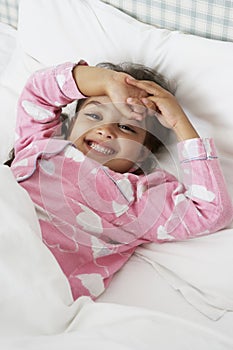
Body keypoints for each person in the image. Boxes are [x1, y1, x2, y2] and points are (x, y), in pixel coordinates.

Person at [9, 60, 233, 300]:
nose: (106, 130)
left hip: (31, 277)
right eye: (94, 115)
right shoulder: (39, 142)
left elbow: (210, 210)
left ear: (144, 154)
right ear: (71, 123)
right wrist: (107, 81)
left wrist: (179, 123)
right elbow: (38, 91)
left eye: (127, 128)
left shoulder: (139, 198)